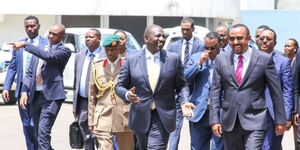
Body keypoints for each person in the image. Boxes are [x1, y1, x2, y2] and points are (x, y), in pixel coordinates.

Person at [115, 24, 195, 150]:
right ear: (146, 38)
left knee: (155, 148)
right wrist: (127, 94)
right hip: (140, 115)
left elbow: (182, 85)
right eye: (158, 36)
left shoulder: (173, 59)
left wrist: (184, 101)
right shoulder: (132, 59)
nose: (162, 39)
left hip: (163, 115)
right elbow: (119, 86)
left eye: (163, 36)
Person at [209, 24, 287, 150]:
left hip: (255, 118)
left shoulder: (264, 59)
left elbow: (276, 91)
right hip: (230, 121)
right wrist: (214, 120)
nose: (235, 42)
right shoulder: (221, 59)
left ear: (249, 38)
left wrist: (280, 119)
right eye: (232, 39)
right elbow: (215, 92)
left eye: (239, 38)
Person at [9, 24, 72, 150]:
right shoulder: (40, 48)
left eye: (54, 34)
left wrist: (26, 45)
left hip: (51, 97)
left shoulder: (64, 50)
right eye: (50, 33)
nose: (50, 36)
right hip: (35, 97)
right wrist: (24, 91)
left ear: (62, 37)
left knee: (43, 133)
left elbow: (49, 57)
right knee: (37, 134)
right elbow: (30, 72)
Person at [2, 15, 47, 150]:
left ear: (38, 27)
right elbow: (13, 67)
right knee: (27, 125)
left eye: (32, 26)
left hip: (40, 90)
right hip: (23, 87)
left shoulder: (45, 44)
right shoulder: (19, 44)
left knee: (40, 126)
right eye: (27, 26)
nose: (30, 29)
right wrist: (6, 87)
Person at [88, 35, 134, 150]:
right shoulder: (97, 66)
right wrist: (91, 119)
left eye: (112, 49)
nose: (109, 53)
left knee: (126, 147)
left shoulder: (128, 65)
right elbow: (92, 96)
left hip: (124, 115)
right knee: (104, 147)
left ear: (119, 48)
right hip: (103, 115)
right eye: (107, 50)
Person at [167, 17, 204, 150]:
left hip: (195, 93)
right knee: (174, 130)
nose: (185, 32)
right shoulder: (173, 46)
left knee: (196, 133)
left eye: (188, 29)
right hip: (177, 93)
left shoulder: (201, 45)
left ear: (193, 29)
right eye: (183, 30)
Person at [184, 31, 224, 150]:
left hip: (219, 111)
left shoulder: (226, 58)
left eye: (213, 47)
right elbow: (184, 78)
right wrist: (199, 64)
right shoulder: (196, 57)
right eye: (206, 47)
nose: (209, 51)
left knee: (218, 147)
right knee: (197, 147)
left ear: (220, 45)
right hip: (200, 111)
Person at [257, 29, 293, 150]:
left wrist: (287, 117)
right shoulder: (249, 59)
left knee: (270, 146)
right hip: (251, 112)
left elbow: (287, 91)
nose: (264, 41)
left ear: (275, 42)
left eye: (269, 39)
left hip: (273, 113)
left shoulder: (283, 62)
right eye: (262, 38)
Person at [73, 29, 103, 150]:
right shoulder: (79, 56)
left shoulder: (106, 55)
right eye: (86, 37)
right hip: (84, 102)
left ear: (99, 39)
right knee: (86, 134)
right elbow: (76, 81)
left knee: (101, 135)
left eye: (91, 37)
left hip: (101, 102)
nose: (87, 39)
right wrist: (75, 105)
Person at [284, 38, 300, 150]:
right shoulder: (285, 62)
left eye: (289, 46)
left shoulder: (297, 62)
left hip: (296, 105)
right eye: (285, 46)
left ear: (295, 48)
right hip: (288, 103)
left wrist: (296, 110)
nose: (286, 48)